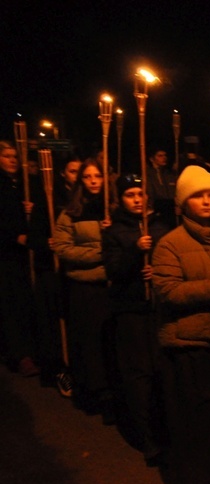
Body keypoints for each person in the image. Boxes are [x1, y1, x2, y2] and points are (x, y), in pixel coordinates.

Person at [151, 165, 210, 484]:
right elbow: (167, 291)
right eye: (198, 195)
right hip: (189, 344)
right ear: (183, 201)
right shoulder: (170, 245)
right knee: (195, 424)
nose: (206, 202)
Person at [102, 174, 171, 465]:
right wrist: (135, 252)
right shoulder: (115, 231)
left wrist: (156, 270)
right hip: (131, 310)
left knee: (162, 371)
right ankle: (148, 438)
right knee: (138, 375)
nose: (136, 199)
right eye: (130, 194)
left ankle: (167, 431)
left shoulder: (159, 226)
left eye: (140, 194)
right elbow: (113, 270)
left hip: (158, 310)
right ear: (121, 198)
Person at [52, 158, 116, 421]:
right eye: (88, 177)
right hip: (83, 289)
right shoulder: (70, 213)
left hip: (108, 287)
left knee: (108, 343)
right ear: (81, 181)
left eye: (97, 176)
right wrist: (100, 252)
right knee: (88, 344)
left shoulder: (112, 211)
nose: (93, 181)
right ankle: (94, 394)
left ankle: (112, 395)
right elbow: (63, 248)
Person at [0, 140, 40, 377]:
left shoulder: (29, 183)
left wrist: (33, 210)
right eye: (6, 156)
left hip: (31, 252)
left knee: (31, 301)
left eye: (15, 156)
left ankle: (36, 349)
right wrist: (15, 235)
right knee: (11, 304)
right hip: (7, 254)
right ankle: (20, 354)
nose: (12, 160)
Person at [145, 147, 178, 228]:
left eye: (165, 155)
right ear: (152, 159)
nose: (164, 158)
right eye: (160, 156)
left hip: (170, 209)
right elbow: (150, 192)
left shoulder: (169, 174)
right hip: (156, 209)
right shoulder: (147, 173)